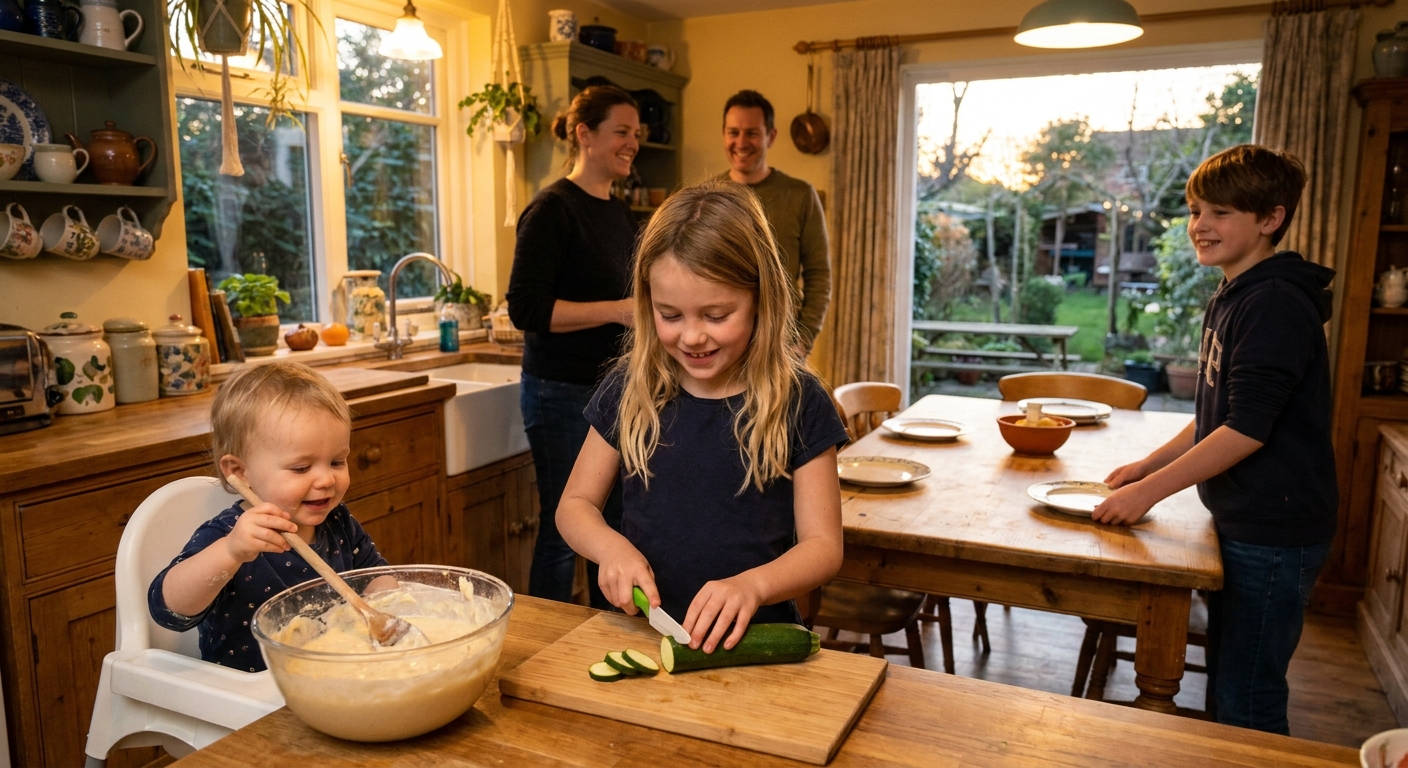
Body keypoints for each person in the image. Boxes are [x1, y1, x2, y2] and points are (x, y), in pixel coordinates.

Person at [1091, 144, 1337, 734]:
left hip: (1274, 530)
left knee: (1247, 699)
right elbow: (1216, 412)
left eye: (1221, 213)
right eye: (1196, 211)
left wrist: (1148, 493)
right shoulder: (1237, 292)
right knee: (1230, 682)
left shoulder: (1273, 303)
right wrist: (1147, 466)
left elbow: (1246, 430)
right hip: (1247, 520)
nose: (1200, 225)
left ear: (1271, 218)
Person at [556, 179, 849, 654]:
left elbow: (823, 548)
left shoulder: (800, 399)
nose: (692, 336)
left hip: (756, 646)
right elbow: (574, 505)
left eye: (715, 315)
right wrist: (609, 548)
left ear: (761, 299)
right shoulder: (631, 387)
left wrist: (753, 586)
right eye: (670, 315)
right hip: (645, 637)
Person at [148, 361, 390, 672]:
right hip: (246, 692)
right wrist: (231, 552)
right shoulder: (228, 535)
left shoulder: (338, 522)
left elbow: (375, 575)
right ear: (239, 472)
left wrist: (386, 609)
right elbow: (168, 610)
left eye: (337, 462)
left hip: (330, 677)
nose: (326, 479)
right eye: (301, 468)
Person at [506, 85, 639, 607]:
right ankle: (548, 638)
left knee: (613, 527)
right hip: (559, 392)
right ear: (585, 134)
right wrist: (617, 310)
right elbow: (526, 309)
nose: (632, 144)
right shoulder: (552, 209)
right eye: (621, 132)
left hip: (614, 392)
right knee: (564, 529)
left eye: (636, 134)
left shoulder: (620, 213)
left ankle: (609, 633)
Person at [719, 90, 831, 351]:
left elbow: (818, 275)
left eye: (752, 133)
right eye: (733, 132)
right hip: (720, 342)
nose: (741, 142)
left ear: (770, 137)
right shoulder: (707, 195)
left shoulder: (801, 195)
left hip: (780, 344)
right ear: (724, 134)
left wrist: (803, 341)